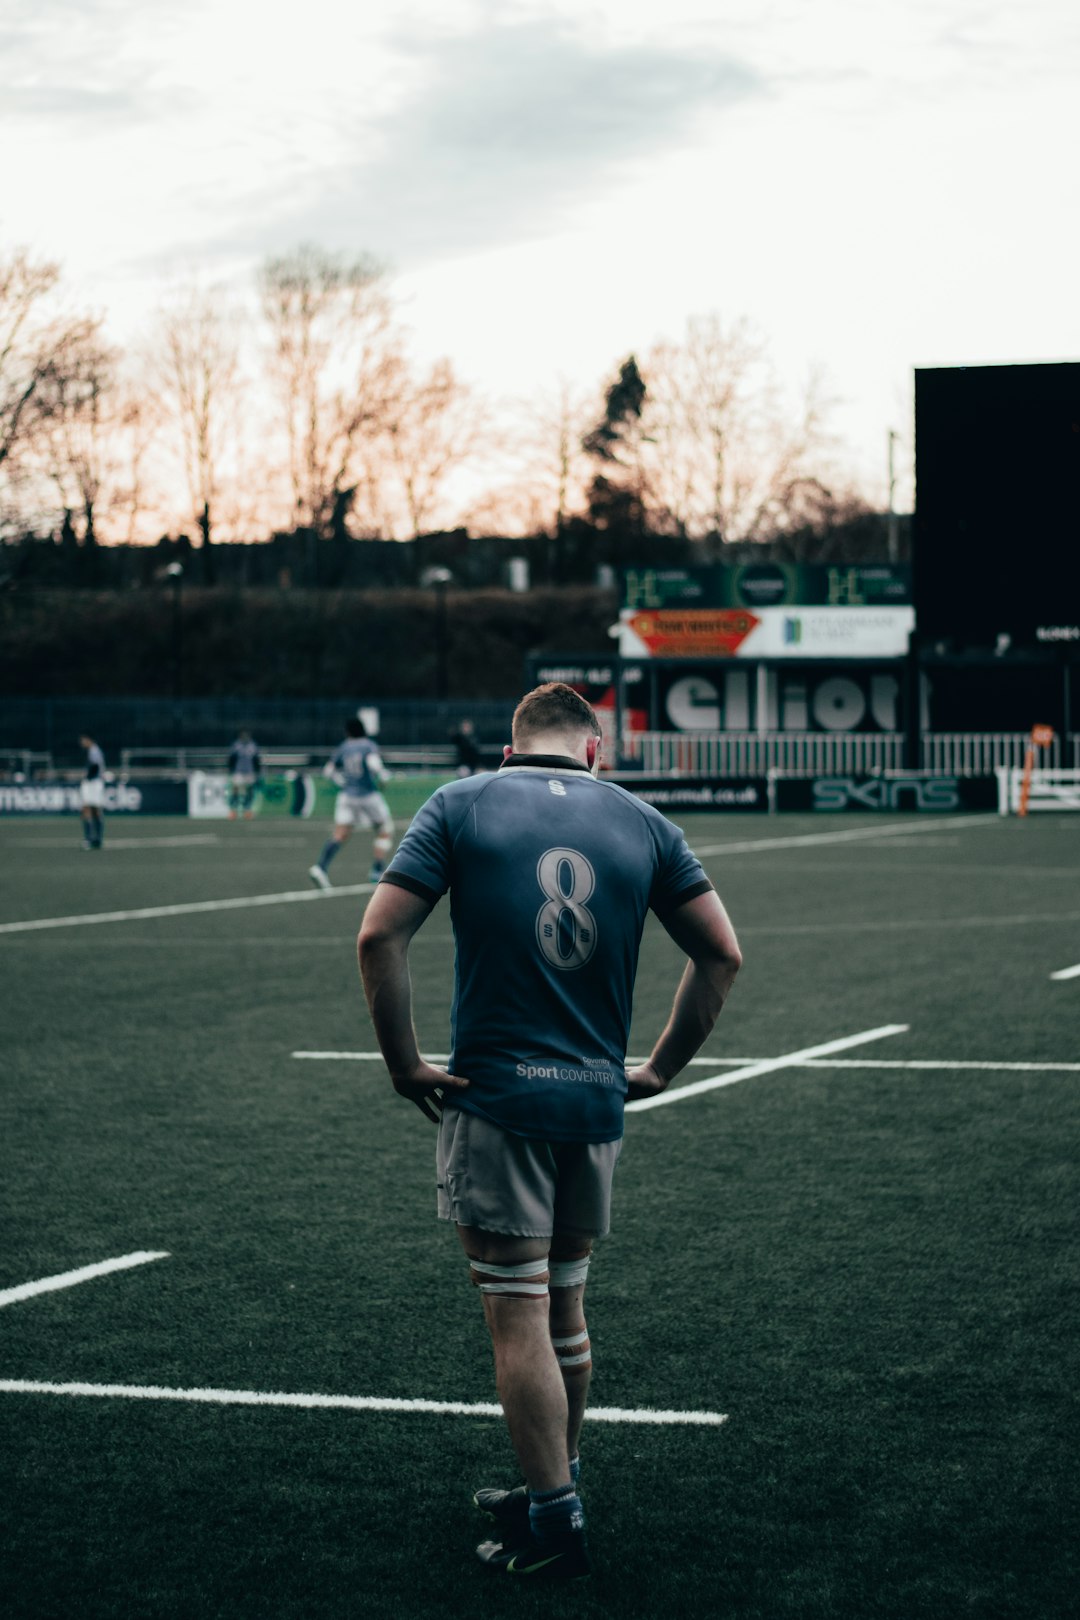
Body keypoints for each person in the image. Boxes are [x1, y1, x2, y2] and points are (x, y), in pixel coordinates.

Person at [357, 682, 742, 1580]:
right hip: (591, 1105)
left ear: (507, 750)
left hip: (498, 1102)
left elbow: (380, 936)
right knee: (563, 1301)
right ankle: (555, 1480)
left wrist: (404, 1062)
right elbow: (722, 953)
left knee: (515, 1309)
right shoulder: (646, 824)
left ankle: (557, 1520)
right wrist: (657, 1070)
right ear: (596, 751)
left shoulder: (460, 803)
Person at [308, 716, 395, 889]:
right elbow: (375, 765)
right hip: (368, 795)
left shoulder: (343, 747)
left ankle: (321, 867)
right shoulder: (368, 745)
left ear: (347, 732)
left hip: (347, 796)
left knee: (340, 834)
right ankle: (377, 870)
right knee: (385, 830)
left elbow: (328, 772)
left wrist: (342, 782)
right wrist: (383, 777)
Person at [77, 734, 106, 850]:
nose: (81, 743)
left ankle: (89, 839)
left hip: (93, 783)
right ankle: (97, 839)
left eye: (82, 740)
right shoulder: (94, 750)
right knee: (94, 810)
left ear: (88, 739)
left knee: (88, 809)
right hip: (94, 782)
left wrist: (87, 777)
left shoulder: (94, 751)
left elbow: (95, 766)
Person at [227, 730, 262, 820]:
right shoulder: (236, 745)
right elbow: (232, 758)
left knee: (250, 791)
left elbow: (256, 760)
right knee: (235, 790)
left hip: (249, 772)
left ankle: (247, 810)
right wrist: (231, 770)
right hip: (238, 772)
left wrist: (257, 771)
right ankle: (233, 810)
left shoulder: (253, 745)